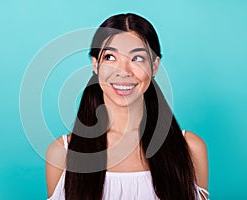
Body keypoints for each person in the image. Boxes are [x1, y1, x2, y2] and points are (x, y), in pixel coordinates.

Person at [45, 13, 209, 200]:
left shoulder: (191, 148)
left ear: (154, 66)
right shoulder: (62, 153)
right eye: (110, 57)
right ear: (96, 65)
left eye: (137, 58)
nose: (123, 71)